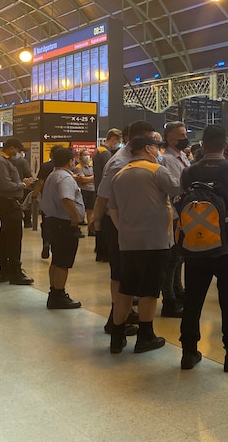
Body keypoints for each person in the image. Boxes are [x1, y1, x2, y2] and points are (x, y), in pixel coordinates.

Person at [180, 125, 228, 372]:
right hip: (226, 249)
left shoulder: (189, 172)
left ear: (202, 145)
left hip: (193, 247)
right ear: (225, 145)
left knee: (192, 300)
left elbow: (182, 206)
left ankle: (189, 353)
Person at [106, 135, 177, 354]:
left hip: (127, 242)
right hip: (155, 241)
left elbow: (113, 210)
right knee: (149, 291)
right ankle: (146, 336)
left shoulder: (118, 175)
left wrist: (125, 230)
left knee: (126, 289)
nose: (158, 152)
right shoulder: (157, 171)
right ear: (148, 148)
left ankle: (117, 338)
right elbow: (177, 189)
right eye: (157, 148)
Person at [92, 120, 156, 335]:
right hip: (120, 222)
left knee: (126, 274)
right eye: (148, 139)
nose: (152, 144)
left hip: (131, 222)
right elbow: (104, 194)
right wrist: (98, 219)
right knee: (121, 273)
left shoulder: (137, 159)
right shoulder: (120, 163)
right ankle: (116, 321)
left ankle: (122, 315)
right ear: (134, 139)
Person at [40, 147, 85, 309]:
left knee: (57, 259)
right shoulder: (65, 178)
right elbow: (66, 198)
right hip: (64, 223)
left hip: (53, 221)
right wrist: (75, 216)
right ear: (69, 161)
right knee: (63, 262)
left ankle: (54, 292)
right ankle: (59, 294)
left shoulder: (53, 175)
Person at [0, 138, 37, 285]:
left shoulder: (5, 160)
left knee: (7, 237)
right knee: (14, 238)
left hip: (9, 203)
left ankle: (6, 271)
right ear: (11, 148)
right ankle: (15, 272)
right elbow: (5, 184)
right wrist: (23, 184)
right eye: (16, 149)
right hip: (7, 203)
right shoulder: (0, 162)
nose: (17, 153)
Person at [158, 121, 192, 319]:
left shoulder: (182, 157)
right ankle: (168, 297)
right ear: (171, 138)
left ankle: (178, 289)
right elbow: (175, 187)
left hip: (185, 211)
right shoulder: (167, 159)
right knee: (172, 256)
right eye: (182, 135)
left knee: (180, 255)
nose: (185, 137)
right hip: (175, 211)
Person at [93, 128, 123, 262]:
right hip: (105, 193)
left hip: (97, 190)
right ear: (114, 139)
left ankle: (99, 251)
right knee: (104, 222)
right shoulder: (106, 154)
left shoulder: (97, 150)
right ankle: (103, 253)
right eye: (119, 141)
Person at [74, 150, 95, 229]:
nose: (87, 157)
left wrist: (88, 178)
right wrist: (93, 178)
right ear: (80, 157)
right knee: (80, 209)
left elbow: (86, 178)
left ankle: (91, 228)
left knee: (91, 210)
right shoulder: (78, 167)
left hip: (92, 191)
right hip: (83, 191)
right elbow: (82, 180)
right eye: (85, 155)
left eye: (88, 155)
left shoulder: (92, 166)